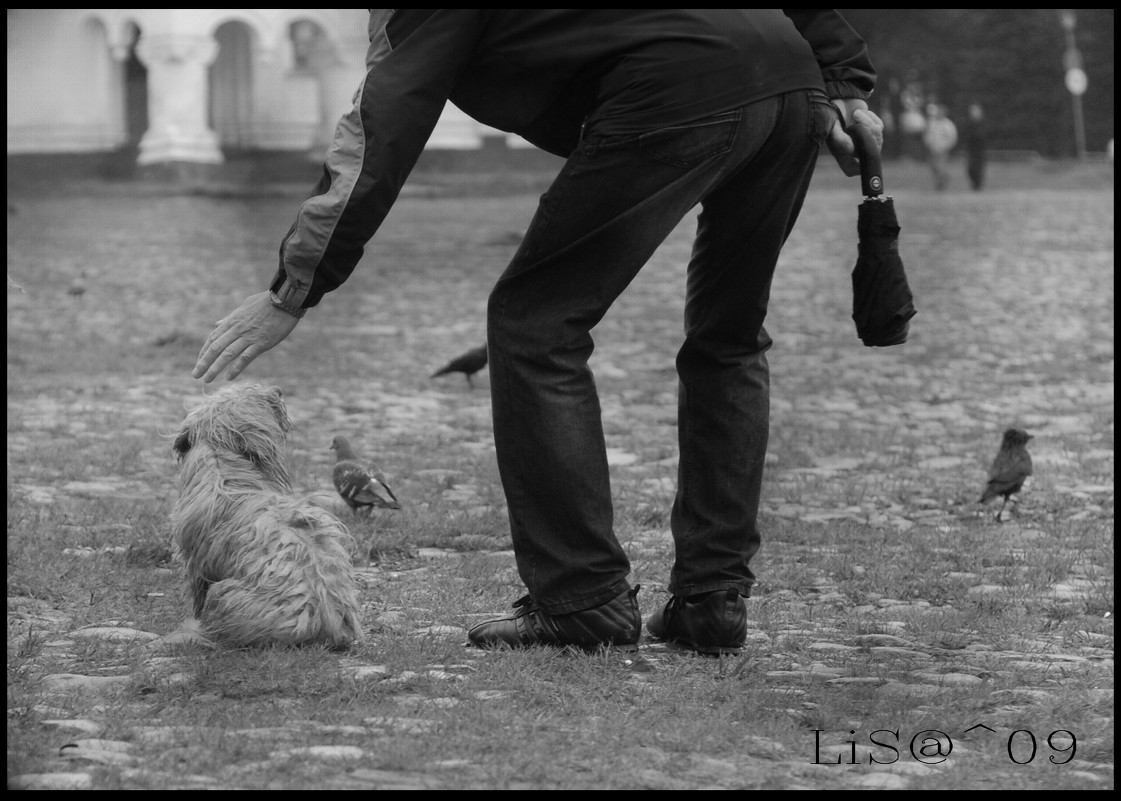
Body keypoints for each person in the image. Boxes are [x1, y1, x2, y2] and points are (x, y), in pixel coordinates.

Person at [192, 10, 882, 656]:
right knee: (728, 338)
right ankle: (711, 598)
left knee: (533, 324)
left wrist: (295, 287)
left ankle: (581, 596)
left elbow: (383, 123)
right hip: (788, 78)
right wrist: (843, 82)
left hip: (673, 85)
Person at [923, 102, 958, 191]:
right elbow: (928, 135)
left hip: (943, 149)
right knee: (934, 167)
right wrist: (929, 144)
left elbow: (952, 137)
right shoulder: (932, 123)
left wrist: (946, 146)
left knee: (941, 167)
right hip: (933, 149)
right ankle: (944, 178)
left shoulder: (948, 124)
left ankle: (940, 185)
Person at [962, 102, 987, 191]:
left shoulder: (983, 123)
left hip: (980, 150)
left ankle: (978, 185)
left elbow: (983, 136)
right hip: (971, 149)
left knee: (978, 168)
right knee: (970, 169)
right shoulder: (969, 123)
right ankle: (974, 183)